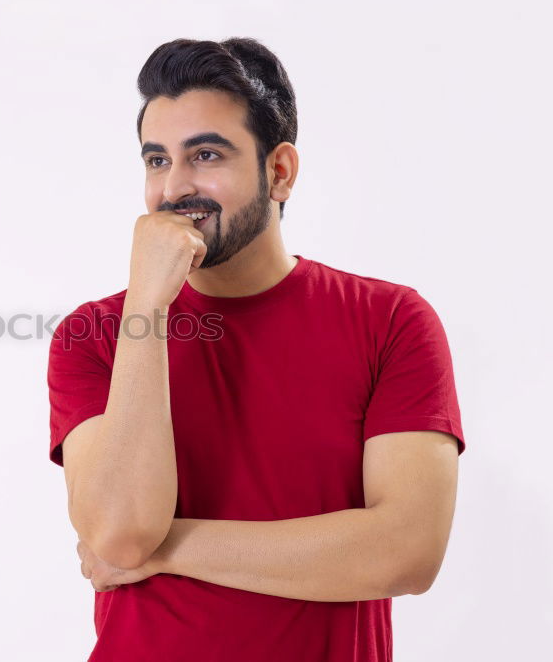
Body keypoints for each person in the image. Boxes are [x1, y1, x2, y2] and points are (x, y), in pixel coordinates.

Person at [46, 37, 464, 662]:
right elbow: (121, 531)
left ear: (280, 171)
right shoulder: (95, 334)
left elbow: (406, 553)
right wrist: (148, 309)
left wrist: (166, 549)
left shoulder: (392, 321)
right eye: (157, 161)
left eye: (206, 154)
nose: (174, 188)